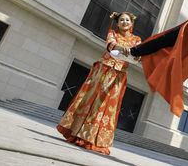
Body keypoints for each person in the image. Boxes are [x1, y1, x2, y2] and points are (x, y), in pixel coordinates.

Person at [56, 12, 141, 155]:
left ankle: (94, 139)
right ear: (117, 22)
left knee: (107, 105)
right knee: (91, 99)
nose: (125, 22)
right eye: (122, 20)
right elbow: (111, 45)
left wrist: (136, 54)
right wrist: (123, 49)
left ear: (131, 23)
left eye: (127, 20)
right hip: (103, 71)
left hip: (118, 75)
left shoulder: (137, 39)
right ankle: (78, 133)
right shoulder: (112, 33)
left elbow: (138, 55)